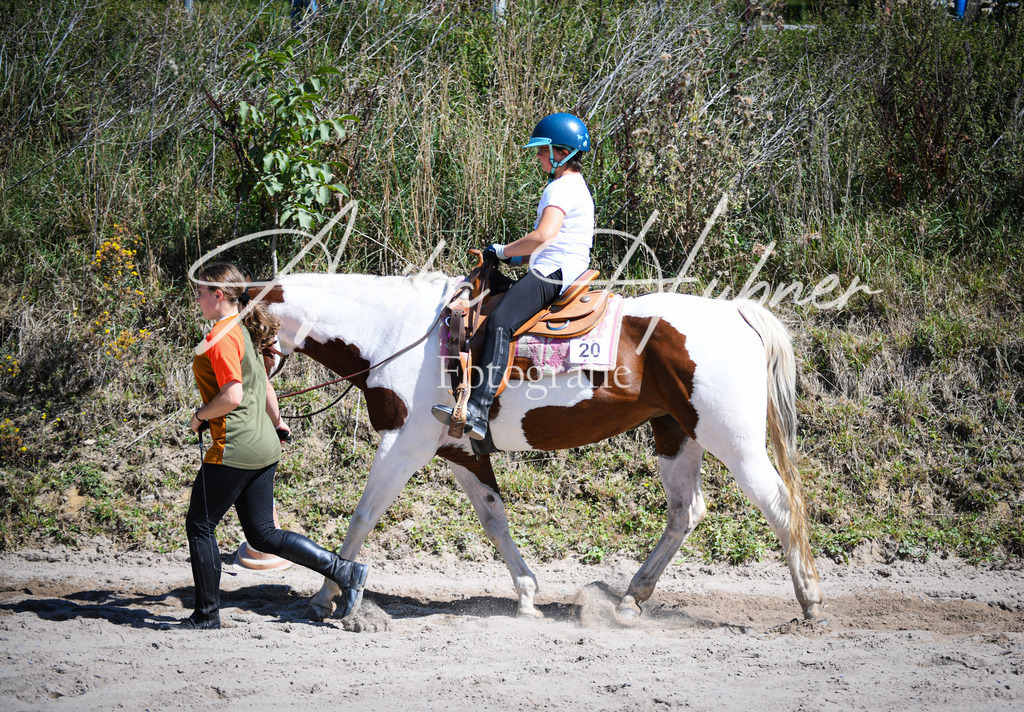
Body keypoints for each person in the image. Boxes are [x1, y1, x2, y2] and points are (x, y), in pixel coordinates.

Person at [170, 262, 367, 630]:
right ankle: (344, 570)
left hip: (235, 447)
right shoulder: (243, 328)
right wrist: (276, 423)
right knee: (263, 534)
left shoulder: (220, 336)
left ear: (218, 295)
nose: (196, 299)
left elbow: (232, 395)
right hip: (263, 444)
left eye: (200, 292)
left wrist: (199, 416)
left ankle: (206, 615)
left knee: (200, 525)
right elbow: (264, 384)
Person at [432, 112, 595, 441]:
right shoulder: (575, 187)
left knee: (500, 322)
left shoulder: (560, 188)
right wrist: (508, 257)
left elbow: (543, 235)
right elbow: (546, 245)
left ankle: (477, 410)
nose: (538, 156)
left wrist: (503, 250)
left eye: (543, 150)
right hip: (558, 267)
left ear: (562, 152)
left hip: (554, 274)